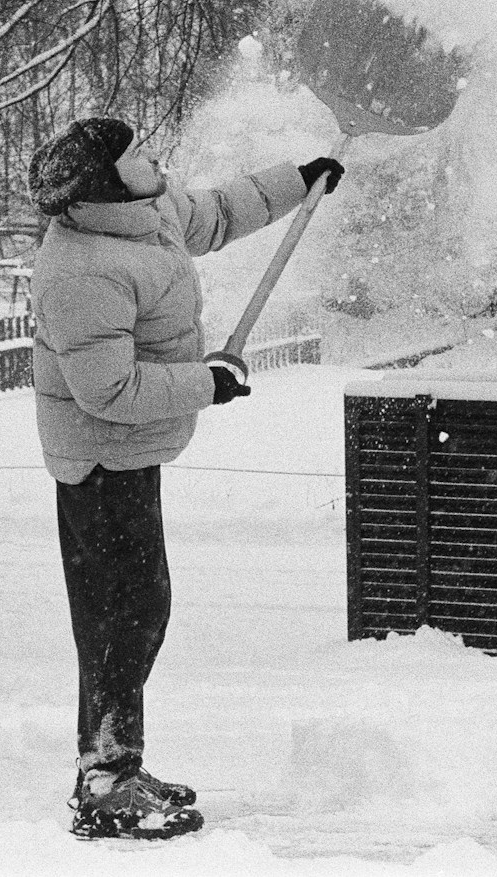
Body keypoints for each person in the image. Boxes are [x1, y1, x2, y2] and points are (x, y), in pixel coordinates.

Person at [27, 117, 343, 840]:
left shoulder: (146, 213)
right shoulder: (79, 267)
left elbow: (221, 212)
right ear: (107, 178)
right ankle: (106, 778)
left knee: (137, 607)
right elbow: (106, 391)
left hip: (130, 451)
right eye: (136, 151)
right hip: (100, 456)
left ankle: (115, 761)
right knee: (121, 613)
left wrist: (299, 180)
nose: (153, 157)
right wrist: (206, 382)